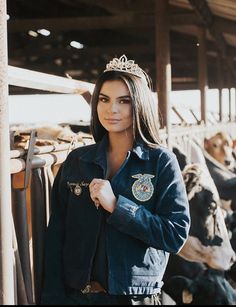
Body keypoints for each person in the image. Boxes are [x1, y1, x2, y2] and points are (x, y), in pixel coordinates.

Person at [40, 54, 190, 305]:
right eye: (104, 99)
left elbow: (175, 235)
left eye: (124, 101)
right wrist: (52, 298)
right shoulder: (77, 161)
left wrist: (118, 207)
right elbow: (56, 236)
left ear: (140, 105)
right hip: (78, 298)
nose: (112, 109)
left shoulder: (161, 162)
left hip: (135, 298)